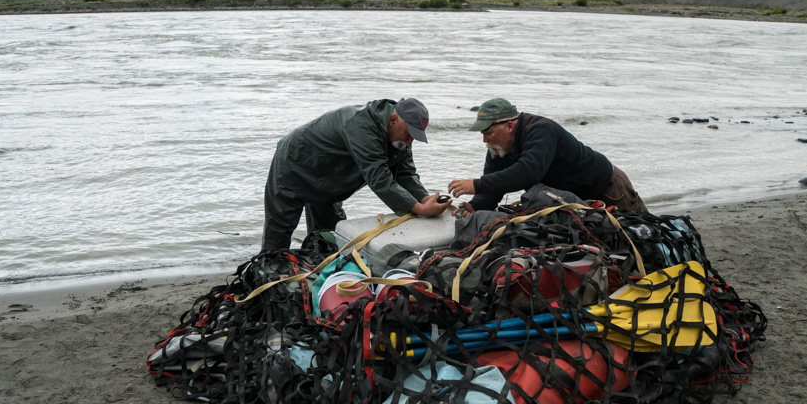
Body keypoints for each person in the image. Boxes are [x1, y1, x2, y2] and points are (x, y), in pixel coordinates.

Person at [262, 97, 451, 250]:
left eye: (415, 137)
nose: (410, 142)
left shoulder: (398, 137)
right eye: (409, 134)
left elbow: (405, 173)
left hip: (328, 180)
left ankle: (317, 279)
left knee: (331, 240)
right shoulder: (361, 126)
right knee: (278, 236)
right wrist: (420, 209)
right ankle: (265, 284)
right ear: (393, 120)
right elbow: (379, 179)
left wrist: (425, 198)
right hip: (295, 164)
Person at [447, 98, 647, 217]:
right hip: (572, 201)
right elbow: (494, 188)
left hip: (608, 189)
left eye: (488, 132)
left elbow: (529, 172)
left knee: (643, 236)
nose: (484, 139)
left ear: (509, 126)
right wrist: (475, 205)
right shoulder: (497, 148)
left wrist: (477, 184)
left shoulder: (541, 130)